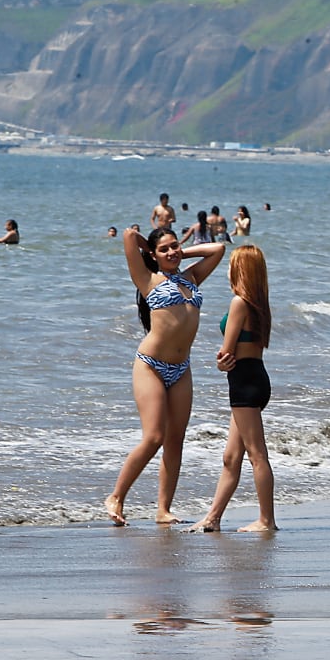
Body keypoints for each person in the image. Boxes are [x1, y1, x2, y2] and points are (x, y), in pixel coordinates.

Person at [104, 226, 226, 527]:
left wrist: (182, 251)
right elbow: (130, 236)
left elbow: (218, 250)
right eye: (165, 249)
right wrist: (150, 250)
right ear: (154, 255)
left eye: (175, 247)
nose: (172, 252)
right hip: (151, 365)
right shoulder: (148, 280)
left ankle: (163, 509)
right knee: (155, 436)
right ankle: (117, 496)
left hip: (181, 368)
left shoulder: (191, 277)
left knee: (175, 441)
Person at [193, 245, 277, 533]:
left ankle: (267, 520)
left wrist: (220, 363)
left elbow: (226, 353)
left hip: (243, 382)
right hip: (256, 377)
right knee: (231, 458)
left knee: (257, 455)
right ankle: (212, 518)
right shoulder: (259, 305)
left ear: (239, 270)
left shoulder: (239, 303)